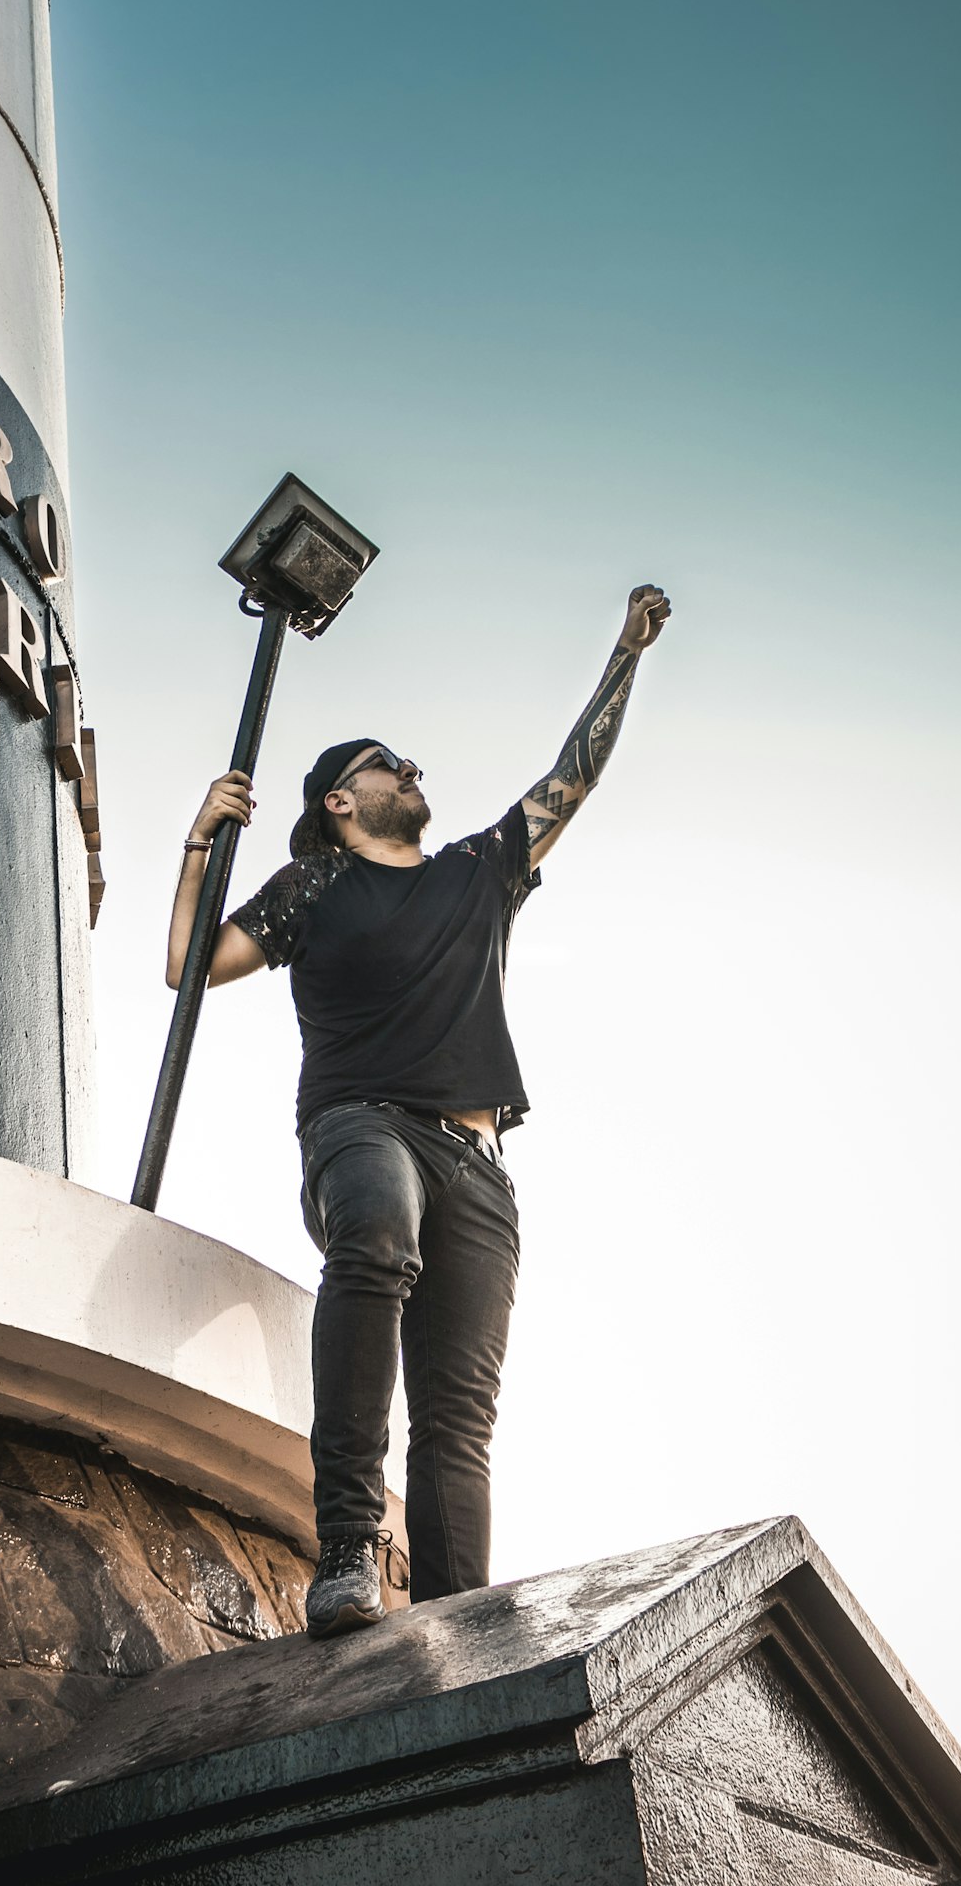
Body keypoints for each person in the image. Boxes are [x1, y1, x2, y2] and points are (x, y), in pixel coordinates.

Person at [165, 584, 672, 1637]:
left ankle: (453, 1619)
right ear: (341, 801)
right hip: (362, 1125)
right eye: (386, 764)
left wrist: (623, 655)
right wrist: (195, 847)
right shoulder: (311, 886)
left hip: (479, 1163)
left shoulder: (479, 872)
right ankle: (348, 1547)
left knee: (458, 1412)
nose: (411, 773)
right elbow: (188, 967)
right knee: (377, 1241)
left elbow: (566, 782)